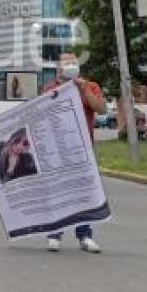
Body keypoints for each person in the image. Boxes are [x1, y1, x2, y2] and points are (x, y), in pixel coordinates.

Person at [43, 53, 107, 254]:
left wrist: (83, 88)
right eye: (66, 62)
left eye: (74, 62)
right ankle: (54, 235)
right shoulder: (51, 87)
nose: (71, 65)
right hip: (58, 149)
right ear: (59, 68)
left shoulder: (90, 86)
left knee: (83, 194)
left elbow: (101, 109)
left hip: (83, 149)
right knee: (58, 192)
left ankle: (85, 236)